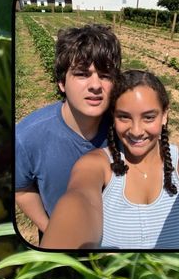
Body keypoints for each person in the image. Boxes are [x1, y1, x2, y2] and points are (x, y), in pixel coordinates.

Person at [42, 70, 179, 250]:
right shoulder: (95, 165)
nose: (136, 131)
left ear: (164, 115)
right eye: (124, 117)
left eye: (148, 117)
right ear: (113, 117)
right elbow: (80, 199)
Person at [15, 24, 122, 240]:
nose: (95, 85)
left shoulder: (126, 131)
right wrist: (51, 229)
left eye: (105, 75)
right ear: (62, 82)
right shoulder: (27, 137)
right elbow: (22, 190)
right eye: (82, 74)